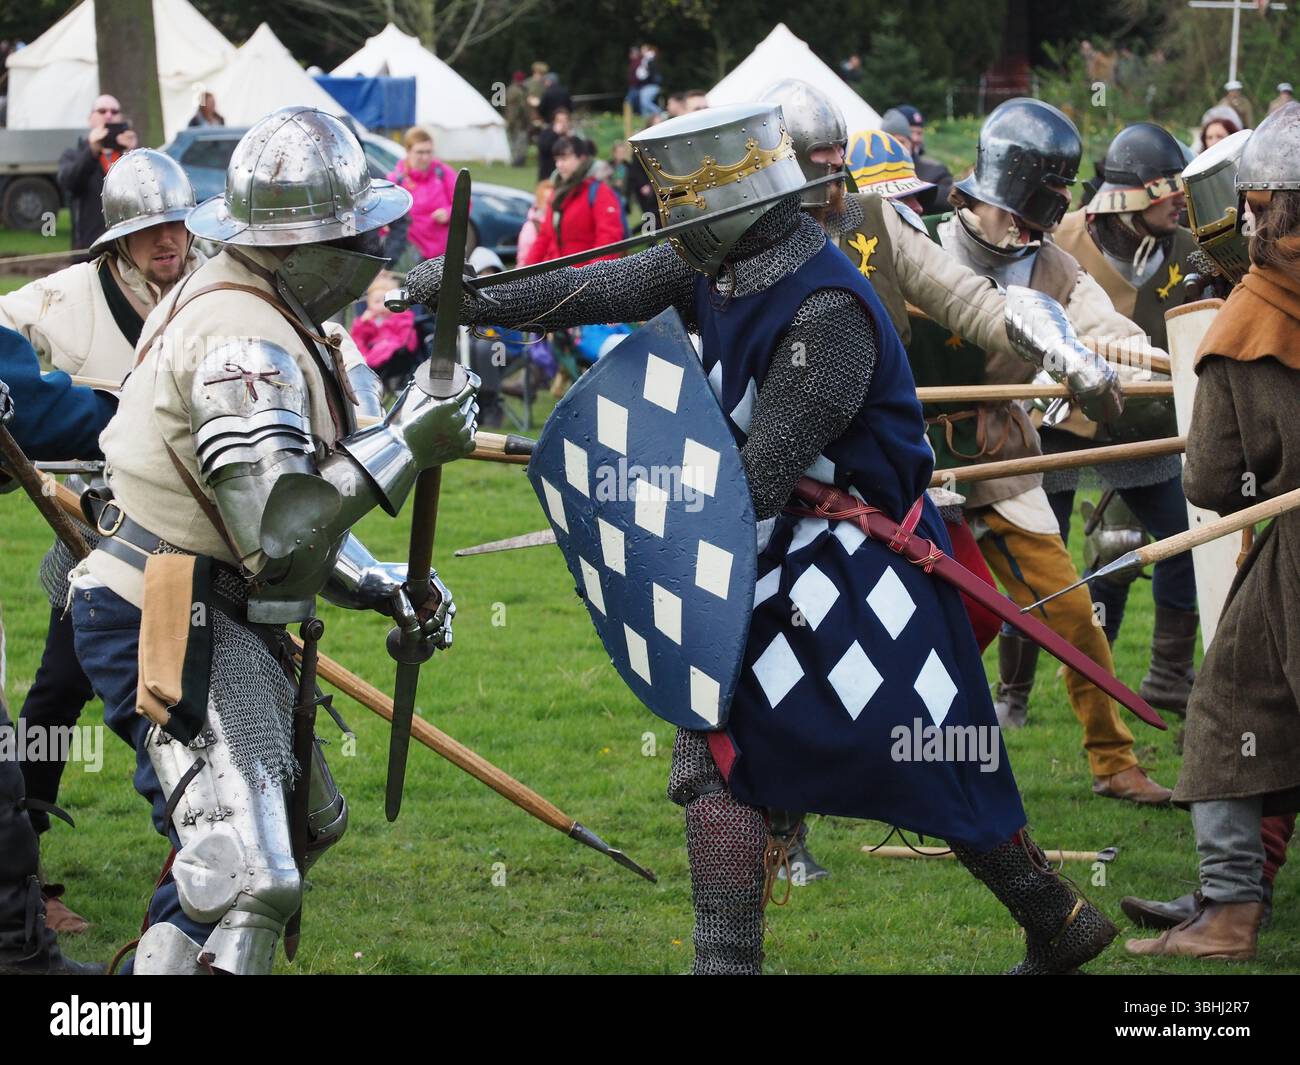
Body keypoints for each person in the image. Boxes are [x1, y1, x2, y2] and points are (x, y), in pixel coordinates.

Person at [402, 102, 1121, 976]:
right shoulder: (722, 256)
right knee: (724, 754)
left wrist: (639, 501)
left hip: (864, 575)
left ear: (736, 200)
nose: (672, 228)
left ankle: (1055, 916)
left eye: (683, 209)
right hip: (778, 551)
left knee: (932, 762)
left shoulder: (829, 308)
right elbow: (598, 286)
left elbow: (751, 482)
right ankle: (729, 960)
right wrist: (468, 298)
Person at [66, 107, 479, 974]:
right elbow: (277, 533)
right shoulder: (240, 340)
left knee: (294, 831)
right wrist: (410, 438)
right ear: (306, 245)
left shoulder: (262, 304)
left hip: (211, 600)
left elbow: (289, 517)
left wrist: (384, 586)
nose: (377, 248)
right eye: (360, 233)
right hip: (164, 606)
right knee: (252, 875)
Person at [928, 99, 1172, 802]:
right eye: (1021, 214)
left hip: (1004, 458)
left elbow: (1106, 327)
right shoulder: (928, 250)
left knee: (1073, 615)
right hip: (915, 470)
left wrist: (1128, 349)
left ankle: (1113, 760)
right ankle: (899, 765)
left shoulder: (1056, 266)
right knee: (924, 628)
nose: (1028, 231)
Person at [0, 150, 203, 932]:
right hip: (103, 537)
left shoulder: (213, 283)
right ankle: (25, 866)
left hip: (202, 529)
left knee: (222, 686)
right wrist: (89, 407)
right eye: (149, 230)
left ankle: (235, 844)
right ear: (118, 239)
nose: (167, 242)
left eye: (177, 226)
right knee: (57, 693)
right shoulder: (72, 296)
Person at [1127, 102, 1300, 961]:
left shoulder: (1248, 317)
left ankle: (1230, 908)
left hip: (1291, 553)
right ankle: (1225, 894)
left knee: (1232, 713)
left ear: (1262, 208)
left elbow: (1206, 480)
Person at [1042, 123, 1200, 717]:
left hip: (1148, 427)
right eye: (1167, 188)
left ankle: (1167, 678)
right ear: (1131, 196)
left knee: (1183, 540)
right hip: (1063, 425)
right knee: (1043, 554)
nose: (1178, 198)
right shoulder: (1059, 241)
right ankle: (1013, 694)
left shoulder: (1189, 250)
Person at [0, 335, 115, 975]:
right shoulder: (66, 301)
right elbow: (44, 412)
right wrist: (149, 412)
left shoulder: (193, 300)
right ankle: (19, 953)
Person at [524, 136, 624, 266]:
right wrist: (524, 272)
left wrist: (593, 277)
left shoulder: (599, 191)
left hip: (586, 277)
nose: (559, 165)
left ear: (581, 158)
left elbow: (608, 239)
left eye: (564, 159)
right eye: (557, 159)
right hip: (556, 276)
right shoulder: (558, 193)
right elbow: (545, 237)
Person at [57, 94, 139, 250]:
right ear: (90, 118)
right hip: (88, 249)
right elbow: (70, 183)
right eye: (102, 111)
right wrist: (92, 150)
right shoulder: (73, 155)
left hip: (127, 248)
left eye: (114, 112)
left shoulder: (131, 156)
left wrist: (133, 154)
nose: (109, 115)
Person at [387, 127, 459, 260]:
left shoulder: (443, 173)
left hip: (441, 253)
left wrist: (448, 212)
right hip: (408, 253)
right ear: (408, 151)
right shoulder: (395, 180)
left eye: (429, 152)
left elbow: (463, 204)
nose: (425, 157)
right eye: (420, 152)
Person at [351, 271, 419, 396]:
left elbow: (404, 340)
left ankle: (367, 368)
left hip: (396, 358)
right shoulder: (367, 321)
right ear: (369, 305)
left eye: (385, 301)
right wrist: (363, 324)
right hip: (372, 360)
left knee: (386, 346)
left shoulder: (402, 317)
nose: (382, 305)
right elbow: (358, 341)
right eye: (377, 302)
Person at [881, 106, 950, 215]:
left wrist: (914, 188)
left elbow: (950, 199)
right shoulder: (873, 174)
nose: (895, 148)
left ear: (910, 144)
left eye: (901, 142)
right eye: (890, 142)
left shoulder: (935, 170)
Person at [537, 108, 574, 182]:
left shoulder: (572, 135)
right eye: (559, 121)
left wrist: (571, 138)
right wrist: (555, 133)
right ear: (554, 121)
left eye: (565, 120)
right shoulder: (546, 133)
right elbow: (544, 148)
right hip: (547, 176)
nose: (563, 123)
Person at [505, 72, 531, 167]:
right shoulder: (518, 91)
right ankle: (518, 161)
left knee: (516, 141)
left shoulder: (512, 89)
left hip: (515, 120)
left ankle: (518, 160)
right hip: (518, 121)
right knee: (519, 141)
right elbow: (521, 108)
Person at [634, 44, 661, 116]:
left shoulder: (650, 60)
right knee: (644, 105)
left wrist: (643, 77)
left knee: (645, 103)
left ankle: (661, 114)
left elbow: (649, 74)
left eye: (644, 49)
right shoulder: (646, 60)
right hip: (646, 85)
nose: (642, 51)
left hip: (651, 85)